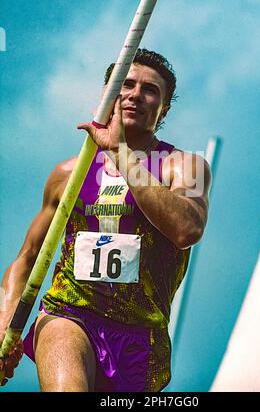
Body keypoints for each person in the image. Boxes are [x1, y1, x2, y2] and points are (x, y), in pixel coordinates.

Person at [0, 48, 211, 391]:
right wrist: (5, 321)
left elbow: (187, 228)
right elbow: (28, 257)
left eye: (150, 90)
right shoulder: (67, 174)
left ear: (164, 109)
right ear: (106, 96)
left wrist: (120, 152)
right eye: (125, 85)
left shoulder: (187, 166)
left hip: (141, 338)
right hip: (68, 313)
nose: (135, 95)